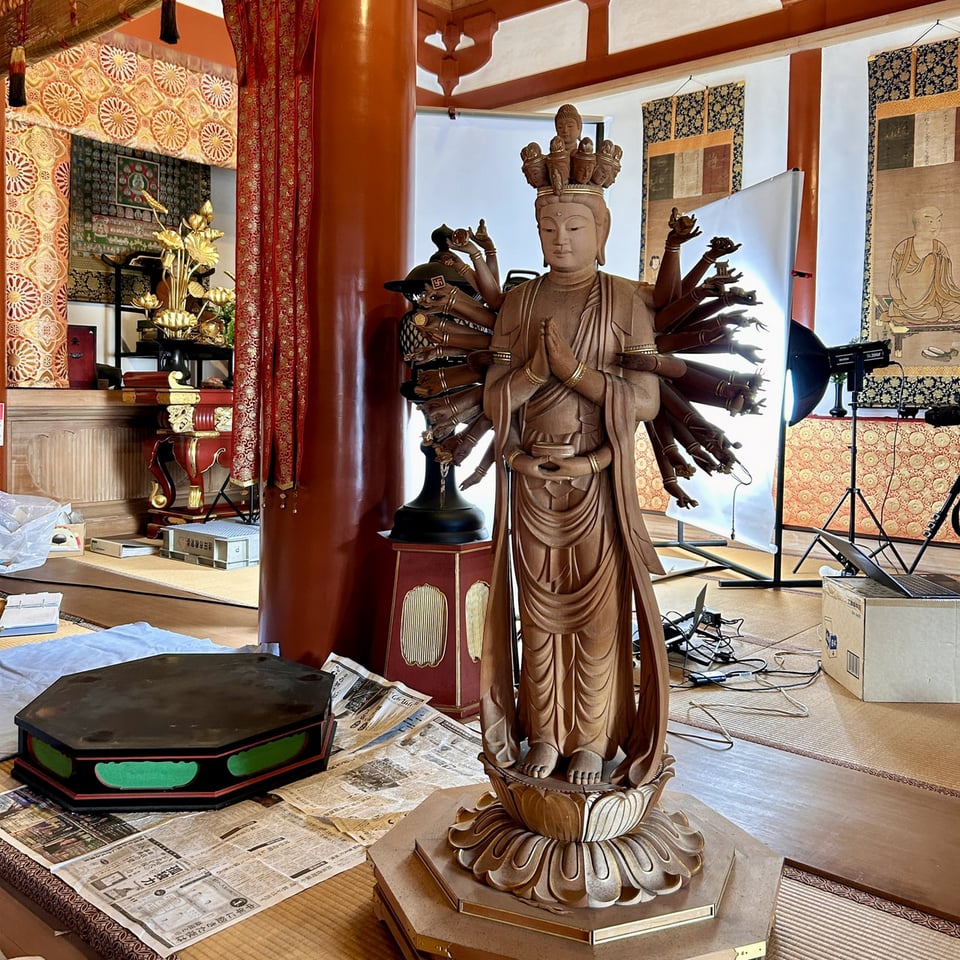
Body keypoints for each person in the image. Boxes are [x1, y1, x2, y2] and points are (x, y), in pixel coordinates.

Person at [479, 107, 669, 789]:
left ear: (602, 233)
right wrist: (535, 375)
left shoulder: (624, 301)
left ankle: (589, 740)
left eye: (576, 227)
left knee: (595, 618)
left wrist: (577, 375)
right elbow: (494, 400)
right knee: (538, 615)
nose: (561, 239)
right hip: (533, 481)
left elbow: (644, 401)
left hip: (596, 483)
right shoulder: (519, 304)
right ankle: (544, 733)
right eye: (549, 228)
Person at [888, 205, 960, 324]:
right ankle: (902, 310)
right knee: (932, 313)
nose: (935, 226)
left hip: (935, 298)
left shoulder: (940, 248)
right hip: (909, 300)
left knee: (957, 310)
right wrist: (899, 301)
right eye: (930, 221)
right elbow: (892, 278)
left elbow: (946, 283)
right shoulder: (904, 247)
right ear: (918, 225)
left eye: (939, 220)